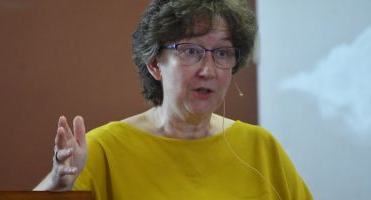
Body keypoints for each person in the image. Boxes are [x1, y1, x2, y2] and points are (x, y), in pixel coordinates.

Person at [34, 0, 313, 199]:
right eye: (190, 52)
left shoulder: (261, 148)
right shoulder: (104, 148)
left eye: (223, 53)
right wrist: (58, 187)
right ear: (155, 64)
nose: (208, 70)